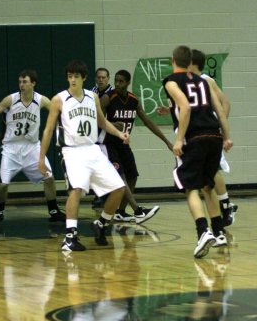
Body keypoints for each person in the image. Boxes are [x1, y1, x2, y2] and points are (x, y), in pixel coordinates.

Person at [38, 59, 129, 253]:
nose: (72, 80)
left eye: (76, 77)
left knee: (119, 188)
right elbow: (47, 130)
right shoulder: (59, 99)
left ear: (84, 78)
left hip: (92, 149)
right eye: (70, 77)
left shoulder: (92, 97)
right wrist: (41, 158)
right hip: (72, 151)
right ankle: (70, 237)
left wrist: (120, 134)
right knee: (76, 189)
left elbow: (103, 122)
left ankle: (101, 223)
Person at [163, 46, 233, 258]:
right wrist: (227, 136)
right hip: (214, 136)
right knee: (207, 185)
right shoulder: (203, 81)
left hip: (195, 138)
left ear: (173, 60)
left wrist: (178, 139)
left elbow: (185, 107)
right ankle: (219, 231)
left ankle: (203, 232)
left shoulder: (171, 81)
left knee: (190, 188)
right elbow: (220, 110)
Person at [0, 69, 65, 226]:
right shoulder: (11, 99)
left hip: (32, 147)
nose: (21, 85)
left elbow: (58, 112)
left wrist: (60, 127)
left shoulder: (41, 100)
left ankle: (54, 210)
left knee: (49, 177)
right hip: (11, 148)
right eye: (20, 82)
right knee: (3, 184)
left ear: (33, 83)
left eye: (25, 82)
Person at [100, 69, 174, 224]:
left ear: (128, 83)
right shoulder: (108, 97)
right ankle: (138, 211)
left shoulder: (133, 100)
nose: (118, 84)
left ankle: (120, 211)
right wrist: (112, 124)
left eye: (121, 81)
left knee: (133, 175)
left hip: (124, 143)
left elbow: (148, 121)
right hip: (108, 143)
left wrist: (166, 141)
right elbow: (95, 118)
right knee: (121, 177)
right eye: (116, 81)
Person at [190, 49, 238, 227]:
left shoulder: (206, 80)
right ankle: (225, 207)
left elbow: (226, 102)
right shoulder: (190, 82)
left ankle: (226, 206)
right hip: (198, 133)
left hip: (208, 130)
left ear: (192, 63)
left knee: (212, 170)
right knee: (209, 173)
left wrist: (219, 123)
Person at [91, 67, 113, 207]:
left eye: (103, 77)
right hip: (93, 133)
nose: (101, 80)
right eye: (98, 77)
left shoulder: (111, 94)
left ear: (108, 78)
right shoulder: (91, 92)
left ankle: (106, 195)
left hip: (106, 134)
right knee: (95, 167)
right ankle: (99, 195)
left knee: (106, 166)